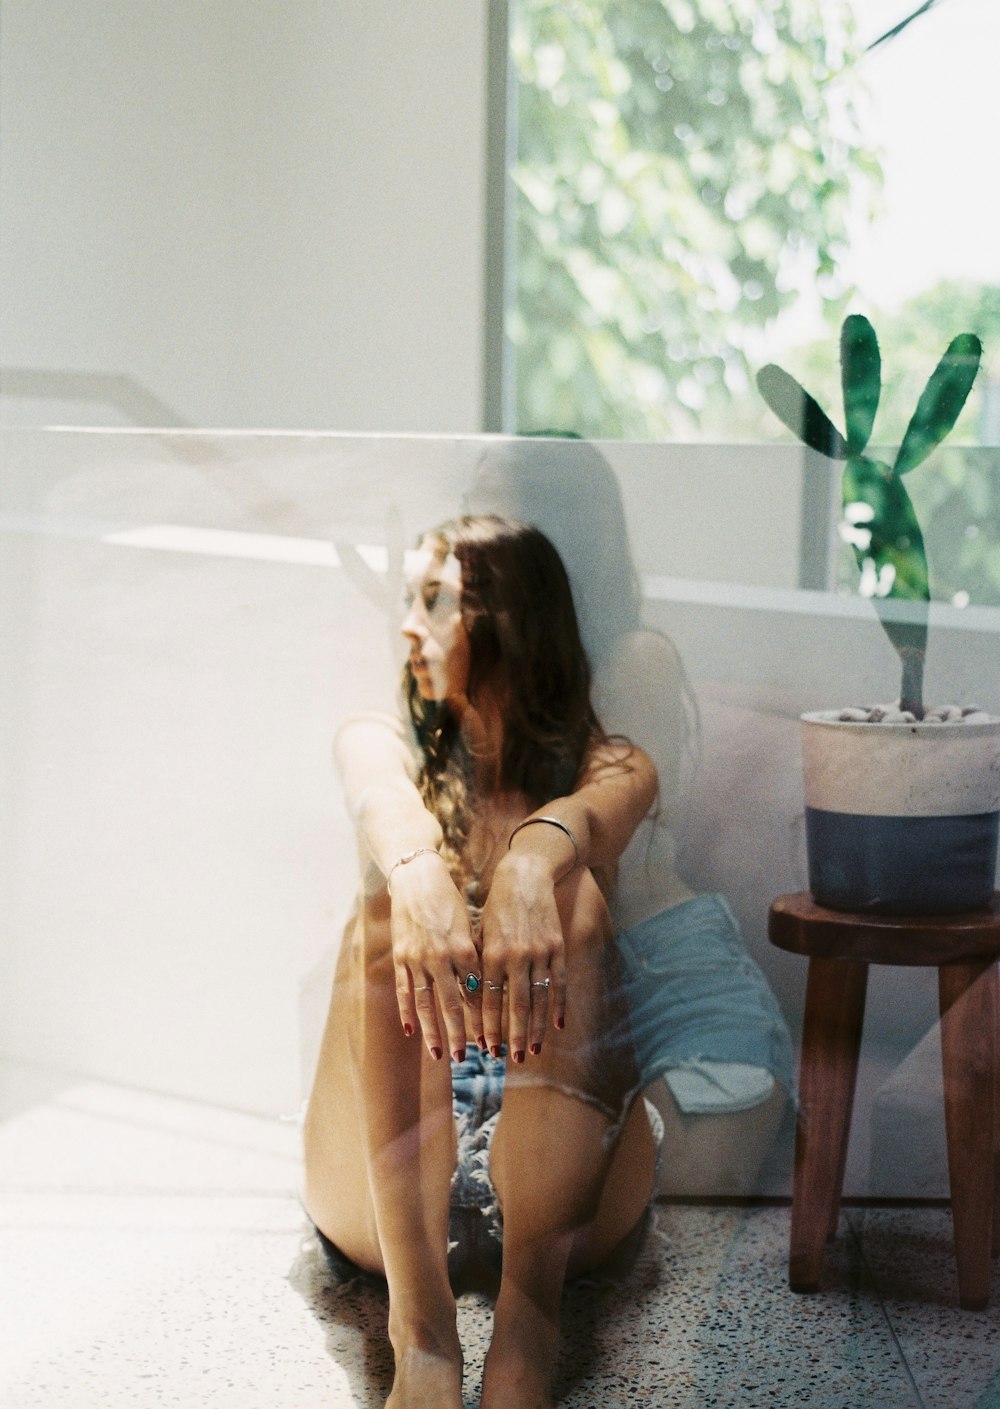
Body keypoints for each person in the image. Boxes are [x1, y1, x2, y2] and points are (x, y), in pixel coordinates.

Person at [304, 515, 659, 1409]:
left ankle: (526, 1328)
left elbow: (600, 809)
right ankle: (421, 1337)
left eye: (434, 601)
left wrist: (535, 861)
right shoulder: (381, 737)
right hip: (393, 1190)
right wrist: (420, 870)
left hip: (561, 1178)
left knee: (580, 901)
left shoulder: (608, 761)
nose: (407, 626)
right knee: (382, 912)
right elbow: (377, 792)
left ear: (504, 621)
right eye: (406, 602)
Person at [464, 437, 792, 1194]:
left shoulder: (632, 657)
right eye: (463, 521)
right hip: (532, 1008)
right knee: (485, 1198)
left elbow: (595, 867)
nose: (465, 549)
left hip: (665, 984)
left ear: (558, 542)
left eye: (494, 524)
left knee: (653, 1198)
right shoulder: (459, 669)